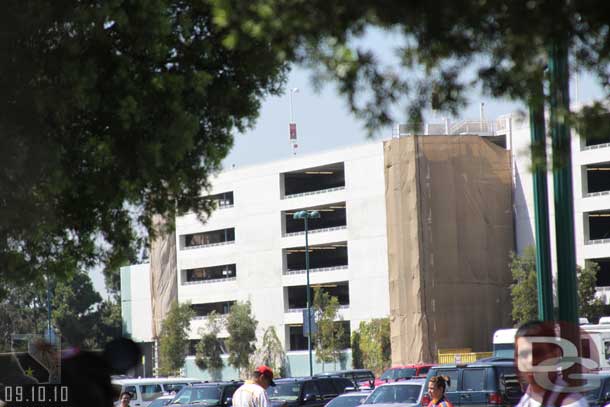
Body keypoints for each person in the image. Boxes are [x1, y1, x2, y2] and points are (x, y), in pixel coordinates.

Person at [514, 320, 589, 407]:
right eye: (523, 354)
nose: (530, 361)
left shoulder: (572, 403)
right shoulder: (525, 401)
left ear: (555, 355)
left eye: (537, 353)